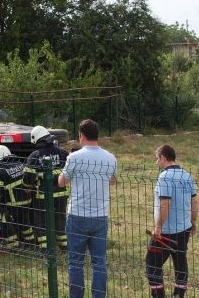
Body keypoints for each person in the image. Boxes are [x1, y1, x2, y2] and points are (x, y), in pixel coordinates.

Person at [58, 119, 117, 298]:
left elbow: (62, 182)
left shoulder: (74, 157)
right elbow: (112, 180)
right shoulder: (110, 157)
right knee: (99, 261)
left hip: (77, 215)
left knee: (76, 261)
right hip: (100, 215)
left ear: (81, 135)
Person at [146, 145, 198, 298]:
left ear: (163, 157)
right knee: (180, 261)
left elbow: (165, 204)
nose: (157, 162)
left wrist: (157, 227)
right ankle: (178, 295)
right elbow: (194, 202)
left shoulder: (164, 177)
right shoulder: (186, 175)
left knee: (152, 264)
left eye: (157, 158)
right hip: (184, 229)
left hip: (166, 232)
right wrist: (193, 221)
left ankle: (158, 295)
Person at [22, 125, 69, 251]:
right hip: (61, 194)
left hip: (42, 196)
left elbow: (28, 179)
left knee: (42, 223)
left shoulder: (35, 156)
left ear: (36, 140)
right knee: (60, 220)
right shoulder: (63, 152)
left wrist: (27, 187)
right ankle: (65, 248)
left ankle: (46, 250)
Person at [0, 145, 34, 248]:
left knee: (5, 221)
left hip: (12, 202)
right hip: (27, 200)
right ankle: (31, 243)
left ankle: (13, 245)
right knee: (24, 221)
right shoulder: (20, 164)